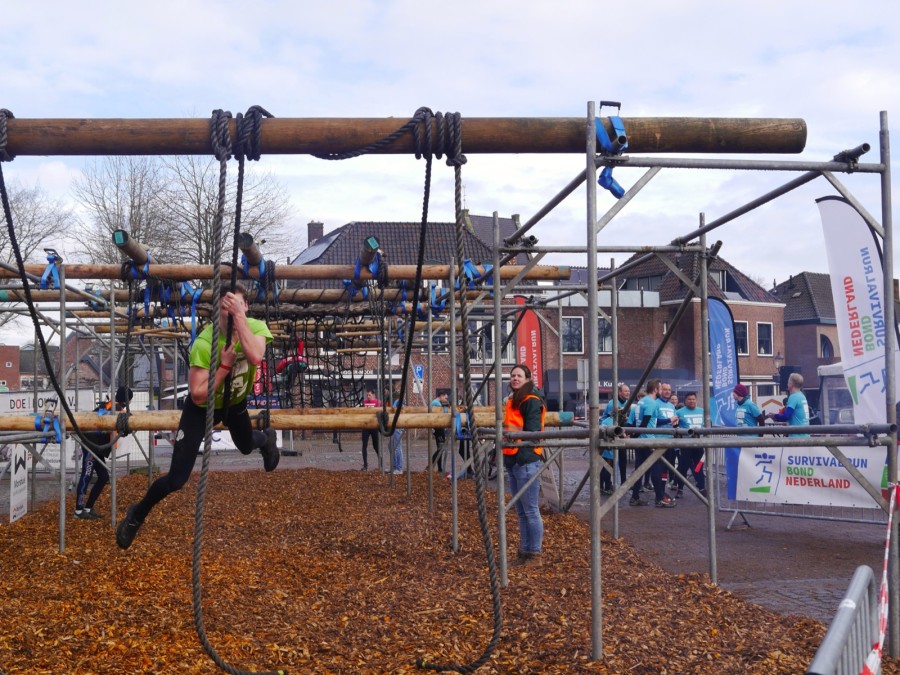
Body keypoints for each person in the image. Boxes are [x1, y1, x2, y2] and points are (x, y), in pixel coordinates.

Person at [116, 285, 280, 550]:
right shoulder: (205, 343)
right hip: (201, 409)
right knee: (176, 480)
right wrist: (224, 366)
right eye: (226, 307)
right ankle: (137, 514)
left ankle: (266, 439)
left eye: (238, 306)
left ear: (246, 307)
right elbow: (199, 395)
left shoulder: (256, 328)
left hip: (234, 402)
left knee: (246, 444)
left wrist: (239, 318)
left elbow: (254, 356)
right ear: (218, 310)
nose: (232, 312)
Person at [502, 364, 546, 567]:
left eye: (519, 375)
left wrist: (521, 455)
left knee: (530, 510)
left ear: (528, 379)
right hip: (513, 458)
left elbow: (533, 432)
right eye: (513, 375)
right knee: (521, 511)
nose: (515, 378)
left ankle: (534, 553)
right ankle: (526, 550)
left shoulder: (531, 400)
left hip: (525, 459)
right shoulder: (515, 399)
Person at [75, 385, 133, 520]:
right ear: (127, 400)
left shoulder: (112, 406)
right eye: (130, 399)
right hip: (92, 445)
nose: (130, 402)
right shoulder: (115, 408)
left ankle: (88, 507)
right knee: (86, 475)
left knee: (103, 477)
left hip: (98, 447)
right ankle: (78, 510)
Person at [674, 392, 706, 498]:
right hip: (685, 445)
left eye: (693, 399)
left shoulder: (702, 411)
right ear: (685, 401)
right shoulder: (679, 412)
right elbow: (675, 428)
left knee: (699, 467)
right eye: (689, 399)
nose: (691, 401)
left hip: (698, 444)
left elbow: (707, 426)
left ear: (696, 400)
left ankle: (702, 488)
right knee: (683, 467)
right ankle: (680, 488)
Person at [601, 383, 630, 489]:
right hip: (609, 433)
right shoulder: (612, 403)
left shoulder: (627, 403)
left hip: (621, 432)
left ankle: (623, 481)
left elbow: (625, 420)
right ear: (619, 392)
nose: (628, 393)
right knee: (609, 461)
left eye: (628, 391)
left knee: (622, 459)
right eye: (625, 391)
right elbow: (612, 421)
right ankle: (605, 485)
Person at [767, 372, 810, 437]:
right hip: (805, 435)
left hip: (797, 436)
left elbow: (786, 416)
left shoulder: (793, 397)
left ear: (791, 384)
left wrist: (774, 416)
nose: (787, 384)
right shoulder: (802, 396)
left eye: (788, 382)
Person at [360, 387, 381, 470]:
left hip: (374, 426)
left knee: (375, 445)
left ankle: (381, 462)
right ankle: (365, 465)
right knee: (364, 445)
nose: (368, 397)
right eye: (367, 395)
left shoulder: (378, 402)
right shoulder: (364, 402)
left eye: (369, 395)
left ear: (373, 395)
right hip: (365, 426)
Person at [430, 390, 450, 473]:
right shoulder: (436, 403)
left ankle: (439, 468)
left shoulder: (435, 402)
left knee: (440, 448)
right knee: (441, 448)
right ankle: (432, 464)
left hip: (438, 428)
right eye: (445, 397)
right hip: (438, 428)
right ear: (441, 396)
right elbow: (443, 414)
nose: (446, 399)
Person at [390, 390, 403, 475]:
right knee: (391, 446)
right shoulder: (397, 402)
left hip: (398, 426)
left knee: (397, 447)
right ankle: (395, 466)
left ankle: (398, 468)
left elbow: (397, 412)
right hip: (396, 426)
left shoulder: (399, 402)